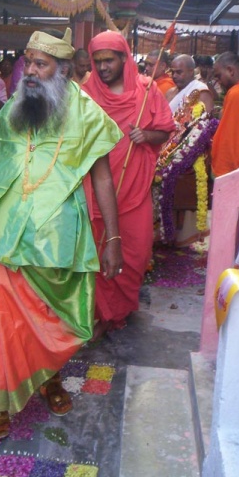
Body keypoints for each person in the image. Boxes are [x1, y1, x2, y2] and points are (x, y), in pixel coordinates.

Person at [0, 27, 123, 451]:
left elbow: (103, 177)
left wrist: (113, 238)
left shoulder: (86, 113)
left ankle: (48, 378)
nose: (29, 71)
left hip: (57, 234)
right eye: (27, 62)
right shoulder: (17, 105)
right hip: (6, 232)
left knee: (52, 317)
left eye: (40, 64)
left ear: (62, 70)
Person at [82, 30, 175, 335]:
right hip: (95, 189)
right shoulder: (85, 93)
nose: (103, 67)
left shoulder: (146, 90)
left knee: (135, 252)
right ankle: (99, 314)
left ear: (124, 58)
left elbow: (165, 129)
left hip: (133, 189)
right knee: (96, 250)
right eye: (97, 61)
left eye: (109, 60)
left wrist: (146, 135)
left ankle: (119, 309)